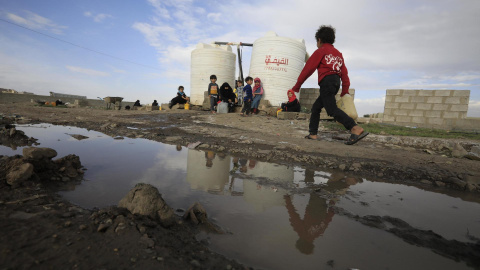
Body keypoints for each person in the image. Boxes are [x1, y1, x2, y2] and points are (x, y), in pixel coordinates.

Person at [292, 25, 368, 145]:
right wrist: (345, 89)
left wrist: (297, 86)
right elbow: (344, 73)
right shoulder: (338, 54)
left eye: (317, 41)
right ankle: (313, 134)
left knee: (331, 109)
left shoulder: (321, 51)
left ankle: (354, 128)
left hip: (327, 82)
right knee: (316, 108)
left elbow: (308, 69)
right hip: (335, 82)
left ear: (319, 40)